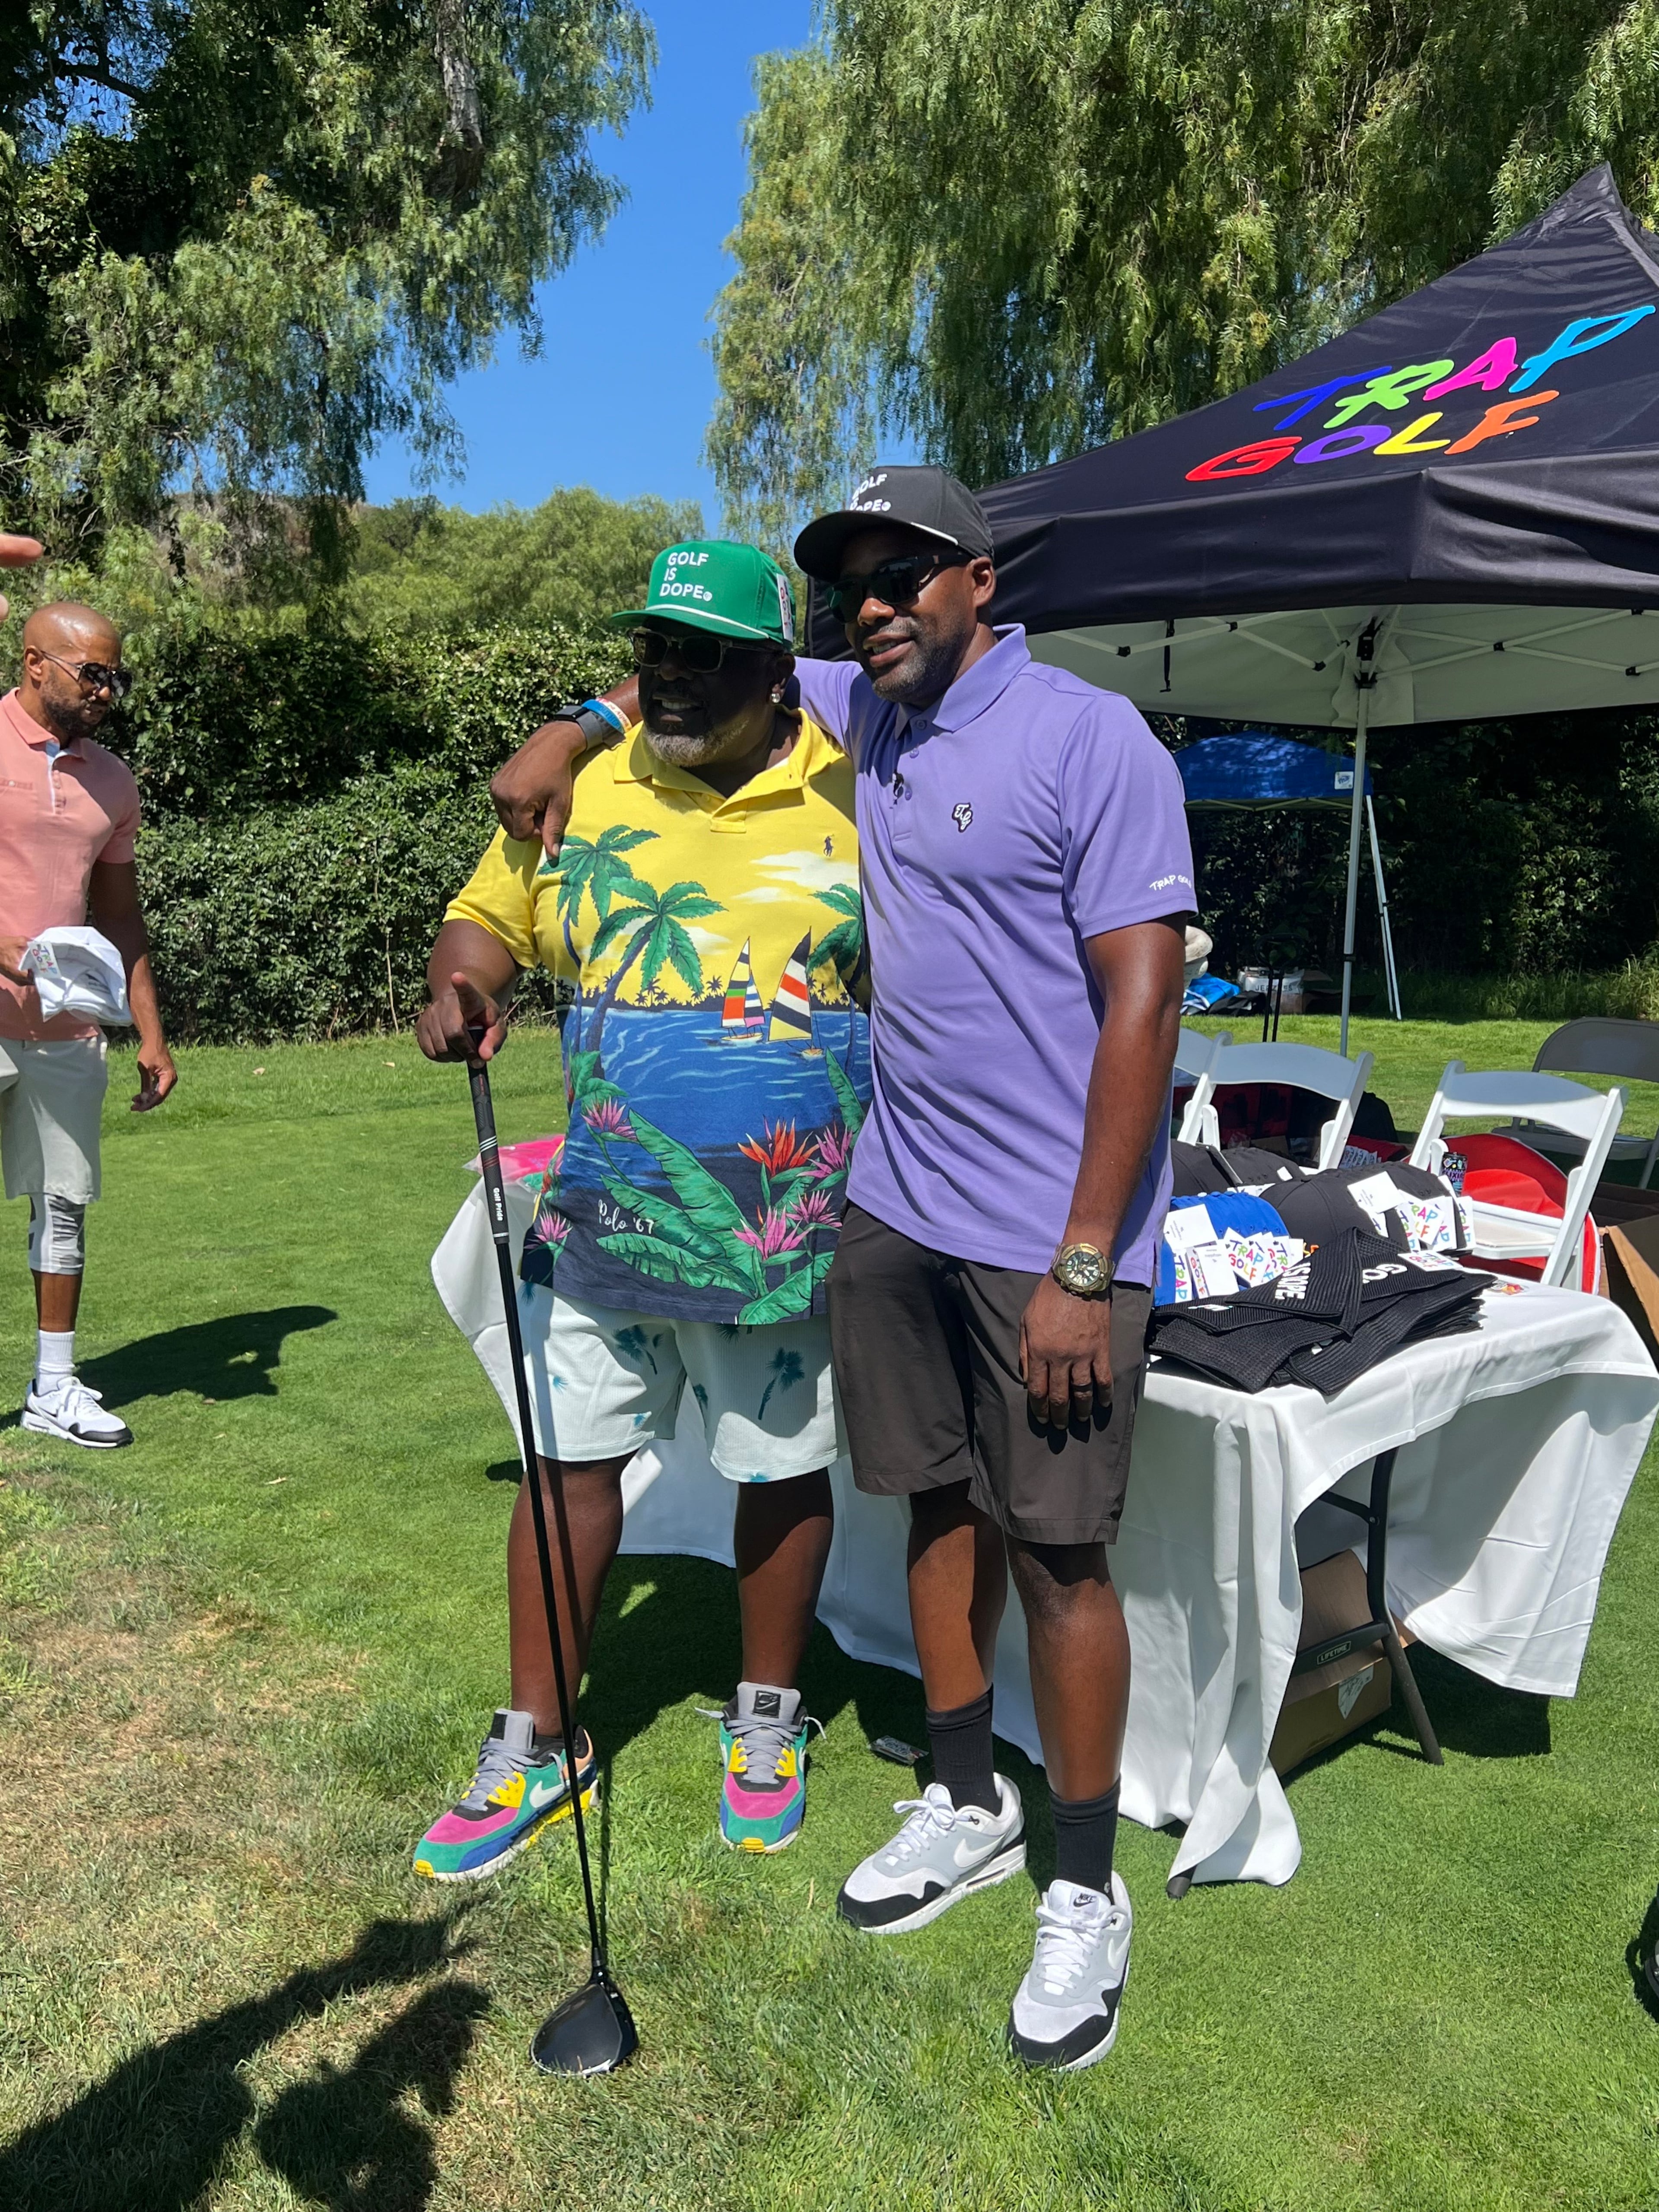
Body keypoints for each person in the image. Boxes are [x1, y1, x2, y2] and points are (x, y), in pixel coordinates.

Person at [489, 467, 1195, 2072]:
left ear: (978, 582)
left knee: (1061, 1551)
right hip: (896, 1209)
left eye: (904, 573)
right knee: (936, 1507)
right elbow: (681, 673)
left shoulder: (1096, 742)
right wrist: (569, 731)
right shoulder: (862, 711)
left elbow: (1144, 1008)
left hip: (1053, 1240)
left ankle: (1082, 1886)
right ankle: (962, 1797)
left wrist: (1087, 1260)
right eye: (848, 583)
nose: (869, 604)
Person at [413, 539, 870, 1880]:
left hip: (785, 1226)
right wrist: (464, 983)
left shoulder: (859, 783)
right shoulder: (589, 786)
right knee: (564, 1469)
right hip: (606, 1211)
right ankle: (538, 1738)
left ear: (780, 674)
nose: (670, 678)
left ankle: (769, 1720)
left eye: (705, 654)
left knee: (779, 1473)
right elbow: (482, 921)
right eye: (653, 651)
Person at [0, 601, 178, 1448]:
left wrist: (150, 1032)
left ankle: (56, 1388)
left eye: (117, 675)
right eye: (91, 673)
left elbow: (122, 917)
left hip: (66, 1034)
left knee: (63, 1205)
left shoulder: (112, 779)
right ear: (35, 662)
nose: (108, 689)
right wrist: (14, 952)